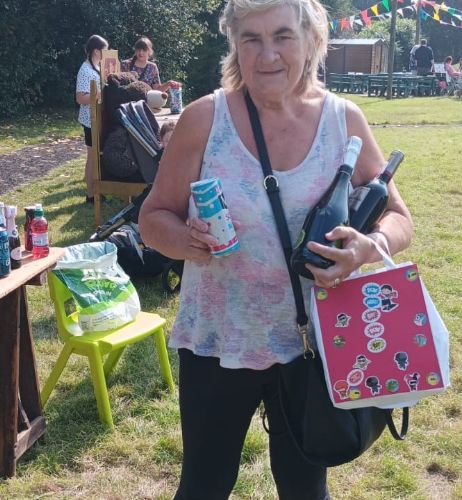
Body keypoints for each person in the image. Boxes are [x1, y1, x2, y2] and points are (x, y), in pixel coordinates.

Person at [139, 0, 413, 498]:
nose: (268, 54)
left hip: (309, 344)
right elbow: (153, 216)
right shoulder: (204, 119)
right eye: (252, 39)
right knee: (203, 486)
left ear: (311, 41)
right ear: (235, 46)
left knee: (305, 490)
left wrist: (367, 247)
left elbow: (398, 217)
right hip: (218, 340)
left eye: (283, 36)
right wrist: (185, 241)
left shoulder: (343, 121)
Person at [76, 34, 109, 204]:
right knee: (92, 157)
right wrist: (98, 94)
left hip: (97, 118)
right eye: (105, 50)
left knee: (96, 156)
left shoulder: (96, 67)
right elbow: (80, 98)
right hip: (90, 120)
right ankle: (90, 195)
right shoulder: (85, 69)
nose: (107, 53)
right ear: (96, 51)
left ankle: (96, 192)